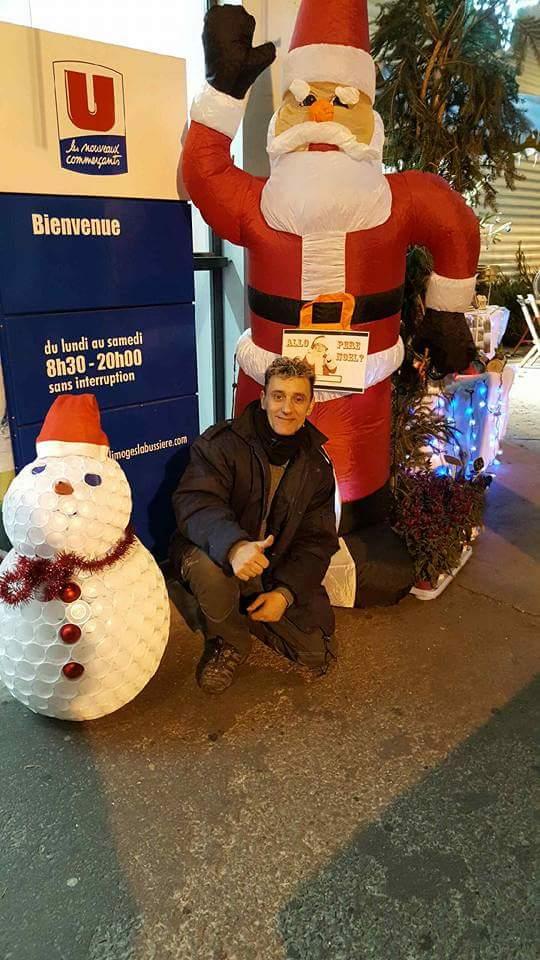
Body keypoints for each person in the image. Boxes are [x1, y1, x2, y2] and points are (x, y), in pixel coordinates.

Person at [170, 357, 339, 694]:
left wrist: (285, 594)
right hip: (214, 551)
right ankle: (228, 640)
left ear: (310, 405)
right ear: (263, 399)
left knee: (316, 653)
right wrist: (234, 547)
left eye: (298, 398)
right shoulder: (221, 443)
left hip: (270, 566)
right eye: (278, 396)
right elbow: (196, 501)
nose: (286, 408)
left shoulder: (317, 466)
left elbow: (317, 542)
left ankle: (239, 607)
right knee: (208, 571)